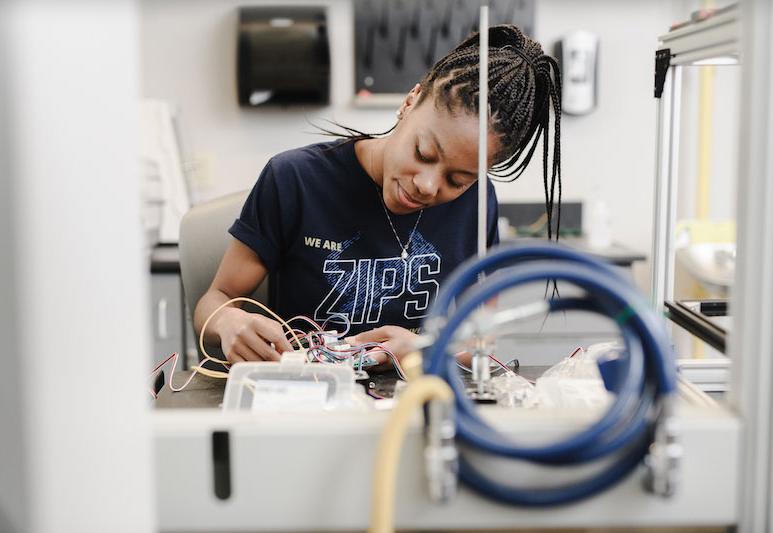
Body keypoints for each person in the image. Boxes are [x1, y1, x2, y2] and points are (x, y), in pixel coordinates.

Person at [194, 24, 562, 368]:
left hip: (415, 401)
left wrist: (423, 348)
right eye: (423, 153)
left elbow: (480, 343)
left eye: (458, 179)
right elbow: (215, 299)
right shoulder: (294, 179)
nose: (428, 185)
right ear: (410, 101)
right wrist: (229, 320)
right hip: (309, 393)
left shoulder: (478, 202)